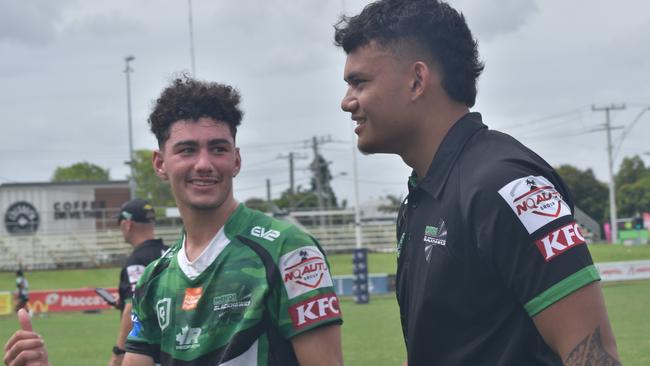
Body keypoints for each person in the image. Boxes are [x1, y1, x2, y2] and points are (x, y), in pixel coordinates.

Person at [335, 0, 619, 365]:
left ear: (416, 80)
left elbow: (594, 355)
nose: (347, 102)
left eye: (359, 82)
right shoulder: (419, 197)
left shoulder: (506, 185)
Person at [4, 76, 343, 366]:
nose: (204, 163)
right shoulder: (154, 279)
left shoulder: (288, 251)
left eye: (219, 149)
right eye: (187, 150)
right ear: (160, 163)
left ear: (236, 160)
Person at [110, 198, 169, 366]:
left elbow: (132, 309)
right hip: (173, 350)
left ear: (127, 224)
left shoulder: (136, 260)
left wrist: (118, 353)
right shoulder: (172, 252)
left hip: (147, 354)